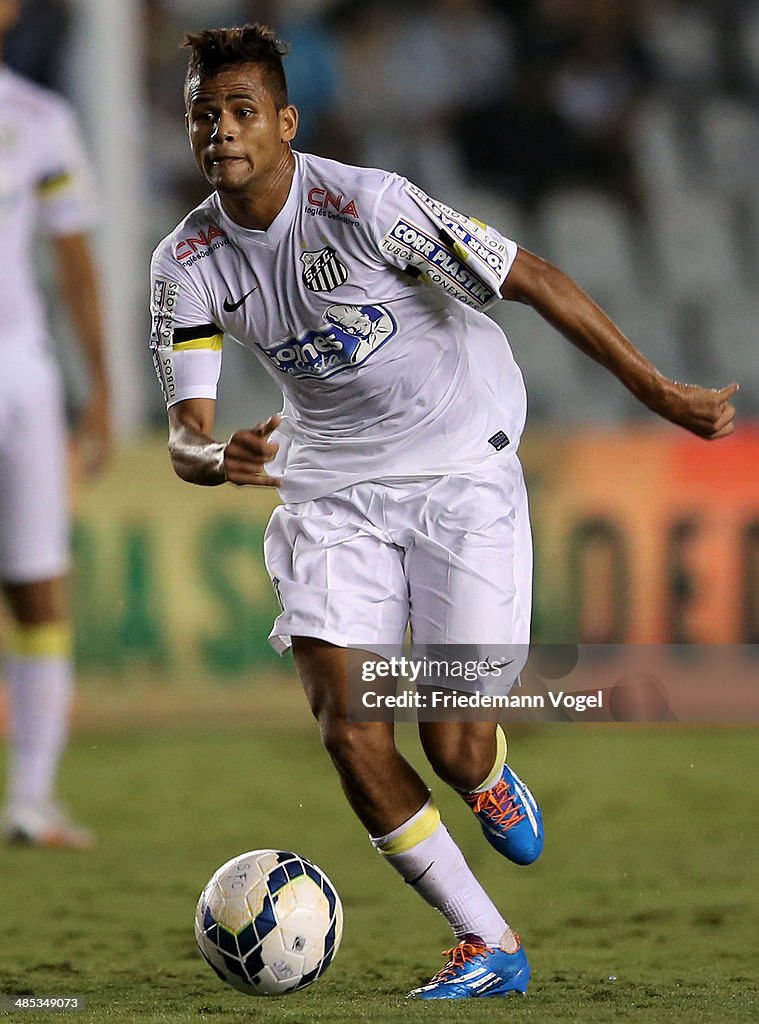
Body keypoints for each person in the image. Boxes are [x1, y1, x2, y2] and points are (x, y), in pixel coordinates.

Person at [149, 24, 738, 999]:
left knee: (450, 740)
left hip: (463, 461)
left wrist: (658, 390)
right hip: (331, 483)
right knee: (349, 725)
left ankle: (485, 769)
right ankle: (487, 941)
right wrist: (220, 455)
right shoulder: (188, 261)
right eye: (203, 115)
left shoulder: (369, 206)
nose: (221, 130)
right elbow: (186, 433)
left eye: (242, 111)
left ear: (286, 123)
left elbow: (531, 277)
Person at [0, 0, 111, 849]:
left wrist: (101, 387)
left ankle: (32, 802)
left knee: (37, 586)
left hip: (23, 376)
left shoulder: (40, 119)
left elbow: (75, 264)